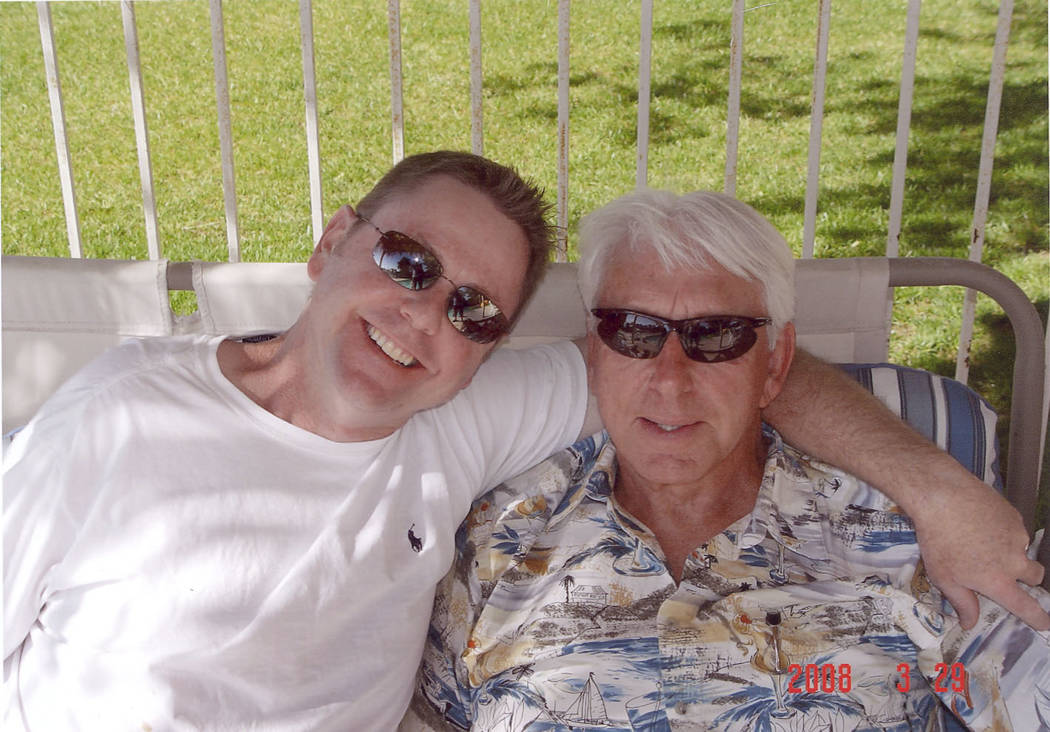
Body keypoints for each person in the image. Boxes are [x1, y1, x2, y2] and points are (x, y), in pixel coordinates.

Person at [2, 152, 1043, 730]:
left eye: (472, 310)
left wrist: (942, 491)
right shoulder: (117, 415)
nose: (424, 321)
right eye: (406, 263)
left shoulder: (466, 422)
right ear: (332, 243)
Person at [406, 189, 1050, 731]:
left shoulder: (908, 546)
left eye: (717, 337)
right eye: (634, 331)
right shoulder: (498, 539)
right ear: (594, 355)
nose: (671, 380)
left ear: (775, 365)